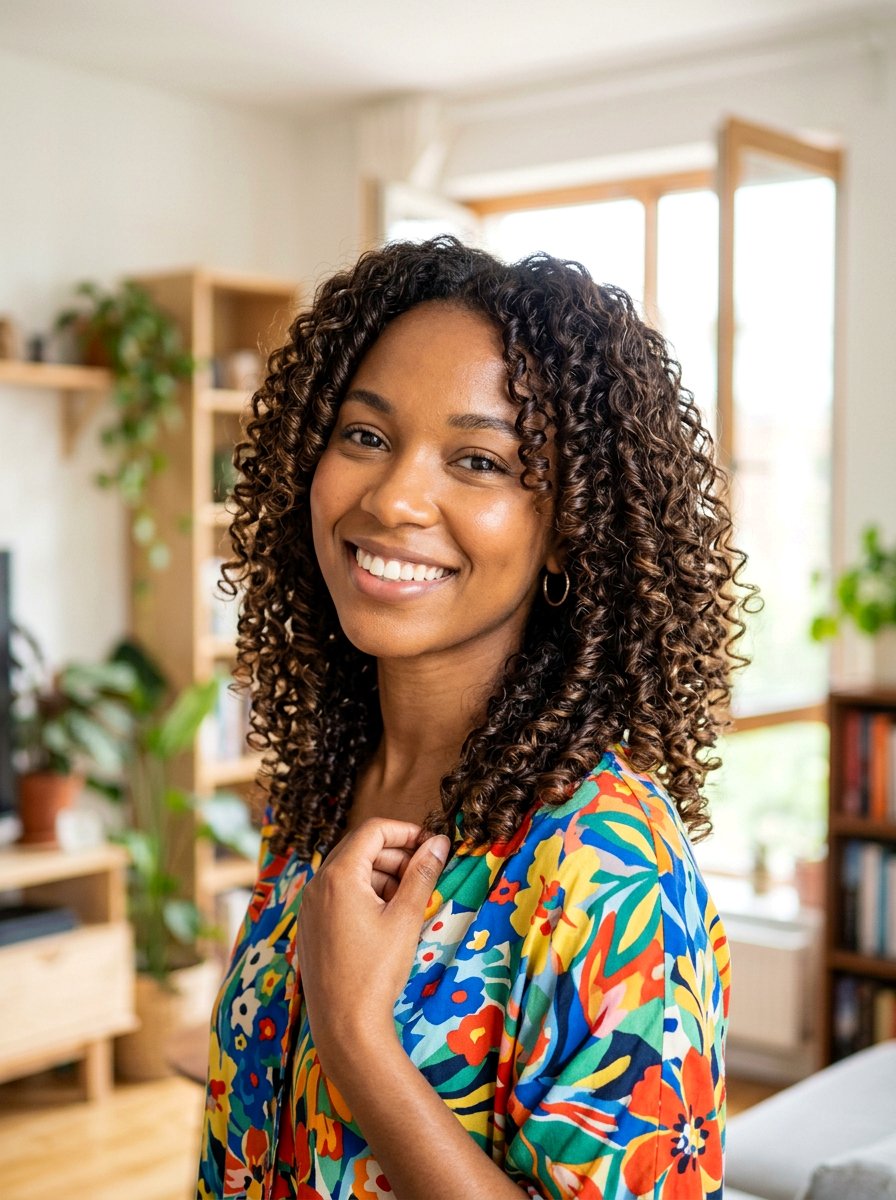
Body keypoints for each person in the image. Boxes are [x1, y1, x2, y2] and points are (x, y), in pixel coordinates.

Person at [197, 236, 757, 1200]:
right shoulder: (325, 791)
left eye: (479, 460)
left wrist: (357, 1038)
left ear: (567, 529)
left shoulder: (606, 867)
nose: (395, 498)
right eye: (365, 435)